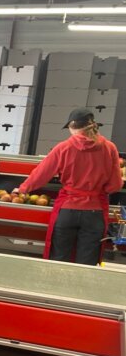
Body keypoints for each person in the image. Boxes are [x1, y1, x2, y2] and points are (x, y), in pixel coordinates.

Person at [14, 107, 122, 265]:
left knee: (59, 260)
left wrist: (22, 189)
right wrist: (97, 190)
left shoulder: (63, 148)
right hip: (95, 213)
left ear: (72, 127)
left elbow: (42, 174)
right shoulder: (110, 148)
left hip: (67, 210)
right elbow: (115, 185)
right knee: (87, 263)